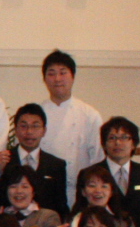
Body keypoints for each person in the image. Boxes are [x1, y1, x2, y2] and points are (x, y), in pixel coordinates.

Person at [36, 50, 103, 208]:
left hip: (80, 193)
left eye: (63, 72)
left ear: (73, 76)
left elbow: (98, 159)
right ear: (44, 79)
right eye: (51, 73)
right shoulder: (37, 114)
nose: (57, 79)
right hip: (45, 192)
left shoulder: (89, 115)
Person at [0, 103, 71, 219]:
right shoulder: (3, 159)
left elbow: (61, 205)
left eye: (35, 126)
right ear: (15, 130)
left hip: (44, 226)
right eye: (23, 126)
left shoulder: (56, 165)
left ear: (44, 130)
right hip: (9, 224)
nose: (29, 132)